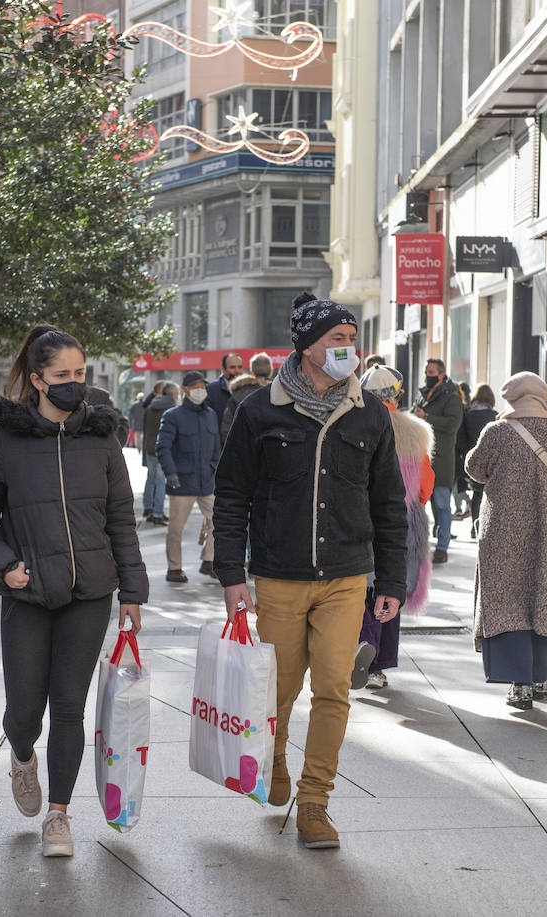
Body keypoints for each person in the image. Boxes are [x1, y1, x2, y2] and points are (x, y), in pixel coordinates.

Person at [213, 292, 407, 850]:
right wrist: (232, 576)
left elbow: (389, 504)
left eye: (351, 339)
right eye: (337, 340)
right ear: (307, 346)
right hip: (278, 577)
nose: (349, 348)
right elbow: (231, 497)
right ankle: (272, 758)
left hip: (347, 577)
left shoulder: (370, 413)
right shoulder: (259, 411)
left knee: (334, 693)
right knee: (277, 692)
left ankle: (315, 802)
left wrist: (390, 582)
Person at [0, 324, 148, 857]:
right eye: (62, 375)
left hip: (89, 592)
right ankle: (23, 758)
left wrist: (131, 591)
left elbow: (121, 520)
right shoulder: (6, 442)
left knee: (69, 707)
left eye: (80, 374)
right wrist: (3, 566)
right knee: (25, 711)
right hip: (26, 593)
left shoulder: (102, 438)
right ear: (39, 380)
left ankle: (58, 816)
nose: (74, 383)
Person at [467, 372, 547, 710]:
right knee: (544, 598)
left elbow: (474, 467)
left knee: (508, 602)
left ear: (511, 399)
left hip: (503, 533)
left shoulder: (497, 432)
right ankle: (539, 677)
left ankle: (518, 683)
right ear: (544, 398)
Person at [355, 365, 434, 690]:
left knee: (361, 588)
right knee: (392, 589)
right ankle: (379, 664)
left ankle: (362, 643)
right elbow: (425, 484)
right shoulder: (416, 430)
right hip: (405, 522)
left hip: (362, 516)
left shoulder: (356, 422)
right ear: (397, 394)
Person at [156, 370, 221, 583]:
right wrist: (171, 473)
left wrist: (215, 469)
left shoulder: (210, 414)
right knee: (175, 529)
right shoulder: (172, 416)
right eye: (196, 387)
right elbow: (163, 447)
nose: (200, 391)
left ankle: (208, 561)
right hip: (182, 483)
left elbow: (216, 448)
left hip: (207, 483)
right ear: (185, 390)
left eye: (203, 387)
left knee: (218, 522)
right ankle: (174, 569)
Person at [413, 358, 462, 564]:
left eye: (431, 371)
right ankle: (420, 545)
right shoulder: (423, 393)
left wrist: (427, 416)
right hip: (421, 457)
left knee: (442, 505)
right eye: (426, 371)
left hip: (441, 459)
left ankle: (442, 548)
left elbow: (453, 424)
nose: (428, 375)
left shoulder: (451, 396)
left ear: (441, 374)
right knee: (418, 505)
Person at [456, 384, 500, 539]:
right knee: (489, 493)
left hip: (473, 458)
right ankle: (486, 526)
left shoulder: (468, 415)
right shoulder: (495, 415)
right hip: (492, 460)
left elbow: (460, 438)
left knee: (477, 493)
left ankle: (474, 528)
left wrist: (466, 452)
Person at [141, 382, 177, 525]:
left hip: (149, 447)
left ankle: (148, 508)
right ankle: (158, 514)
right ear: (174, 394)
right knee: (161, 481)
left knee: (151, 478)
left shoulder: (150, 406)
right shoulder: (172, 408)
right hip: (163, 449)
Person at [221, 351, 273, 444]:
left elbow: (227, 428)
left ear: (252, 372)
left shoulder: (238, 394)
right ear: (271, 371)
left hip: (246, 451)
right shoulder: (280, 393)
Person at [205, 352, 244, 423]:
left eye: (240, 367)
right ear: (223, 369)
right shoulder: (211, 390)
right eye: (232, 367)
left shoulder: (248, 389)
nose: (237, 371)